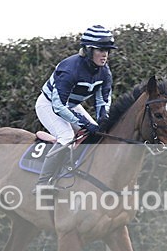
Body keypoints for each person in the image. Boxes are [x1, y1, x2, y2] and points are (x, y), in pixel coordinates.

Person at [33, 25, 117, 190]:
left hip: (71, 106)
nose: (105, 55)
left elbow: (102, 101)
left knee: (98, 135)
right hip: (49, 105)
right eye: (100, 50)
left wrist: (102, 120)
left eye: (107, 50)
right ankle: (43, 182)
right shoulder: (69, 69)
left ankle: (76, 168)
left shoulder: (104, 72)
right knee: (66, 136)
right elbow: (58, 106)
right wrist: (85, 123)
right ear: (88, 50)